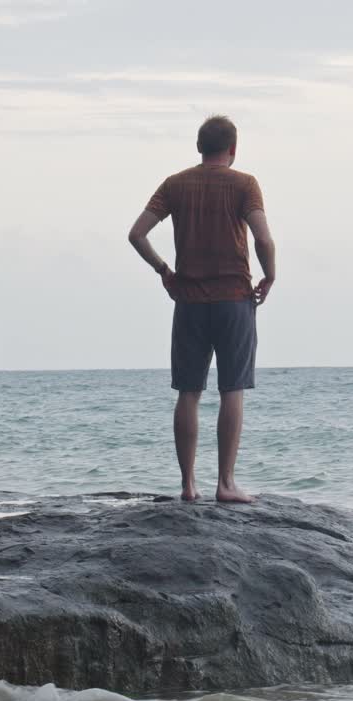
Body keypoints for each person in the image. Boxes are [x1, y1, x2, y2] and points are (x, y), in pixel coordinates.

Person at [127, 115, 277, 504]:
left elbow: (137, 234)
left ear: (198, 147)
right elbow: (263, 238)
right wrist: (269, 275)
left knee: (188, 392)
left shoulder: (175, 184)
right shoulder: (245, 184)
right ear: (233, 149)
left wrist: (164, 270)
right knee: (232, 390)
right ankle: (225, 484)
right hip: (233, 300)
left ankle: (188, 486)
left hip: (189, 301)